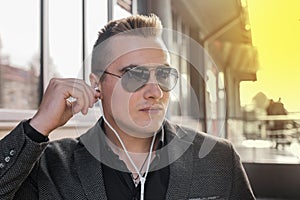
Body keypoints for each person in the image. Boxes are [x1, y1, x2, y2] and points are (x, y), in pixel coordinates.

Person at [0, 14, 255, 200]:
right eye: (135, 75)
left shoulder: (218, 159)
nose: (156, 92)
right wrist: (38, 127)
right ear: (96, 84)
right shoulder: (50, 167)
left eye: (164, 76)